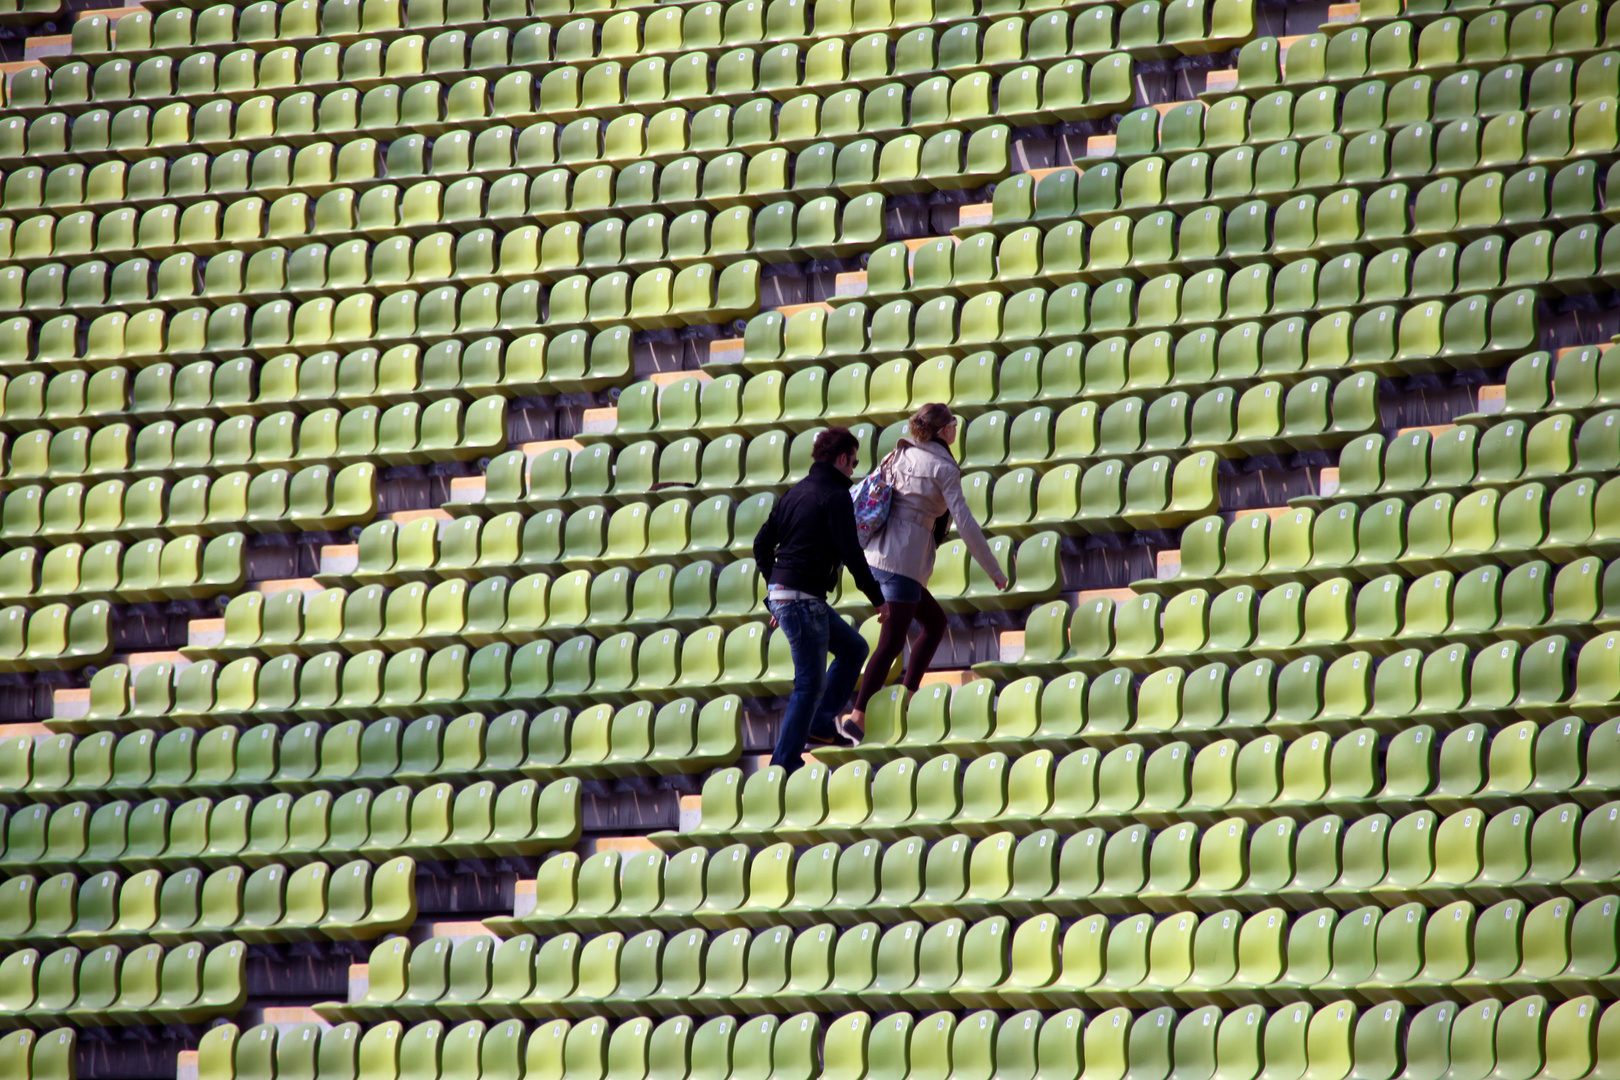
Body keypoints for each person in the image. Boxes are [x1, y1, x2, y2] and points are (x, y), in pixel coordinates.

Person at [849, 403, 1008, 734]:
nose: (955, 428)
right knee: (891, 642)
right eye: (952, 423)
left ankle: (907, 694)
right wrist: (993, 569)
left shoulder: (900, 453)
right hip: (902, 562)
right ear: (943, 431)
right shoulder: (944, 469)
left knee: (935, 623)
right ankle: (857, 716)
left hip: (877, 555)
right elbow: (964, 523)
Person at [753, 426, 891, 771]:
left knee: (854, 648)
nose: (854, 469)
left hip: (792, 596)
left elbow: (760, 545)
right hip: (801, 598)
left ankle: (819, 723)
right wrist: (878, 598)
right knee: (809, 683)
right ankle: (783, 762)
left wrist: (775, 592)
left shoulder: (793, 493)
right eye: (854, 462)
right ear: (842, 459)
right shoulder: (835, 495)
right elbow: (851, 552)